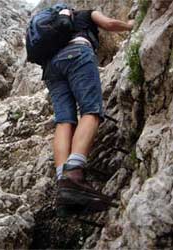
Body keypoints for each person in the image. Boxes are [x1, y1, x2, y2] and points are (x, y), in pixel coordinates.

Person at [43, 8, 134, 216]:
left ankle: (62, 182)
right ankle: (74, 175)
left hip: (50, 69)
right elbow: (110, 23)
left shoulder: (51, 28)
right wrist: (130, 25)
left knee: (64, 121)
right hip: (77, 53)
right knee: (90, 110)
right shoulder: (85, 13)